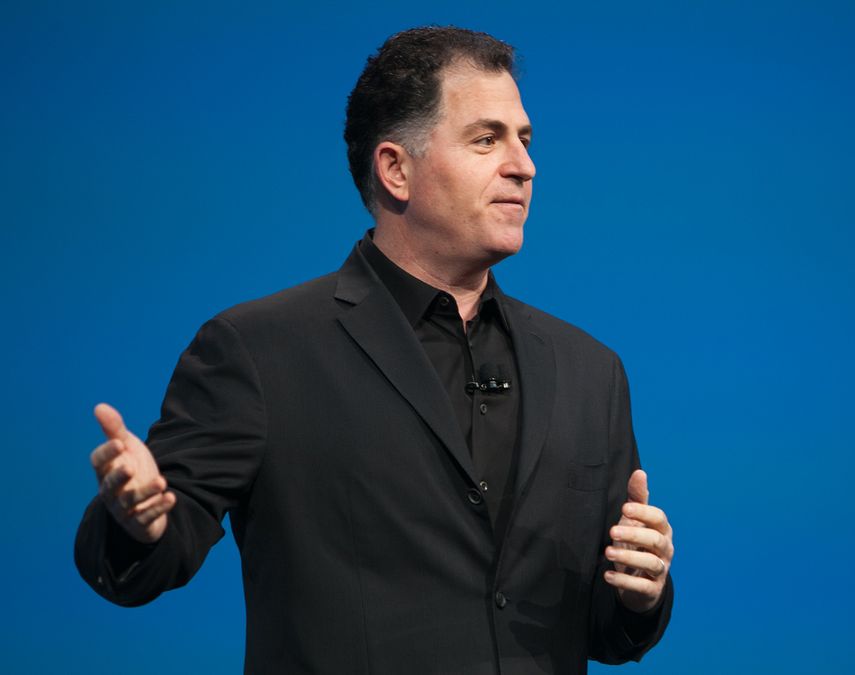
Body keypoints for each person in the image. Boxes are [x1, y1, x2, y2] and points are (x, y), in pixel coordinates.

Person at [75, 26, 674, 674]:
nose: (523, 166)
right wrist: (140, 522)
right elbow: (156, 549)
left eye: (524, 140)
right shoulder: (259, 350)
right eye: (486, 139)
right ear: (396, 169)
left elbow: (605, 631)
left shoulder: (589, 370)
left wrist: (640, 592)